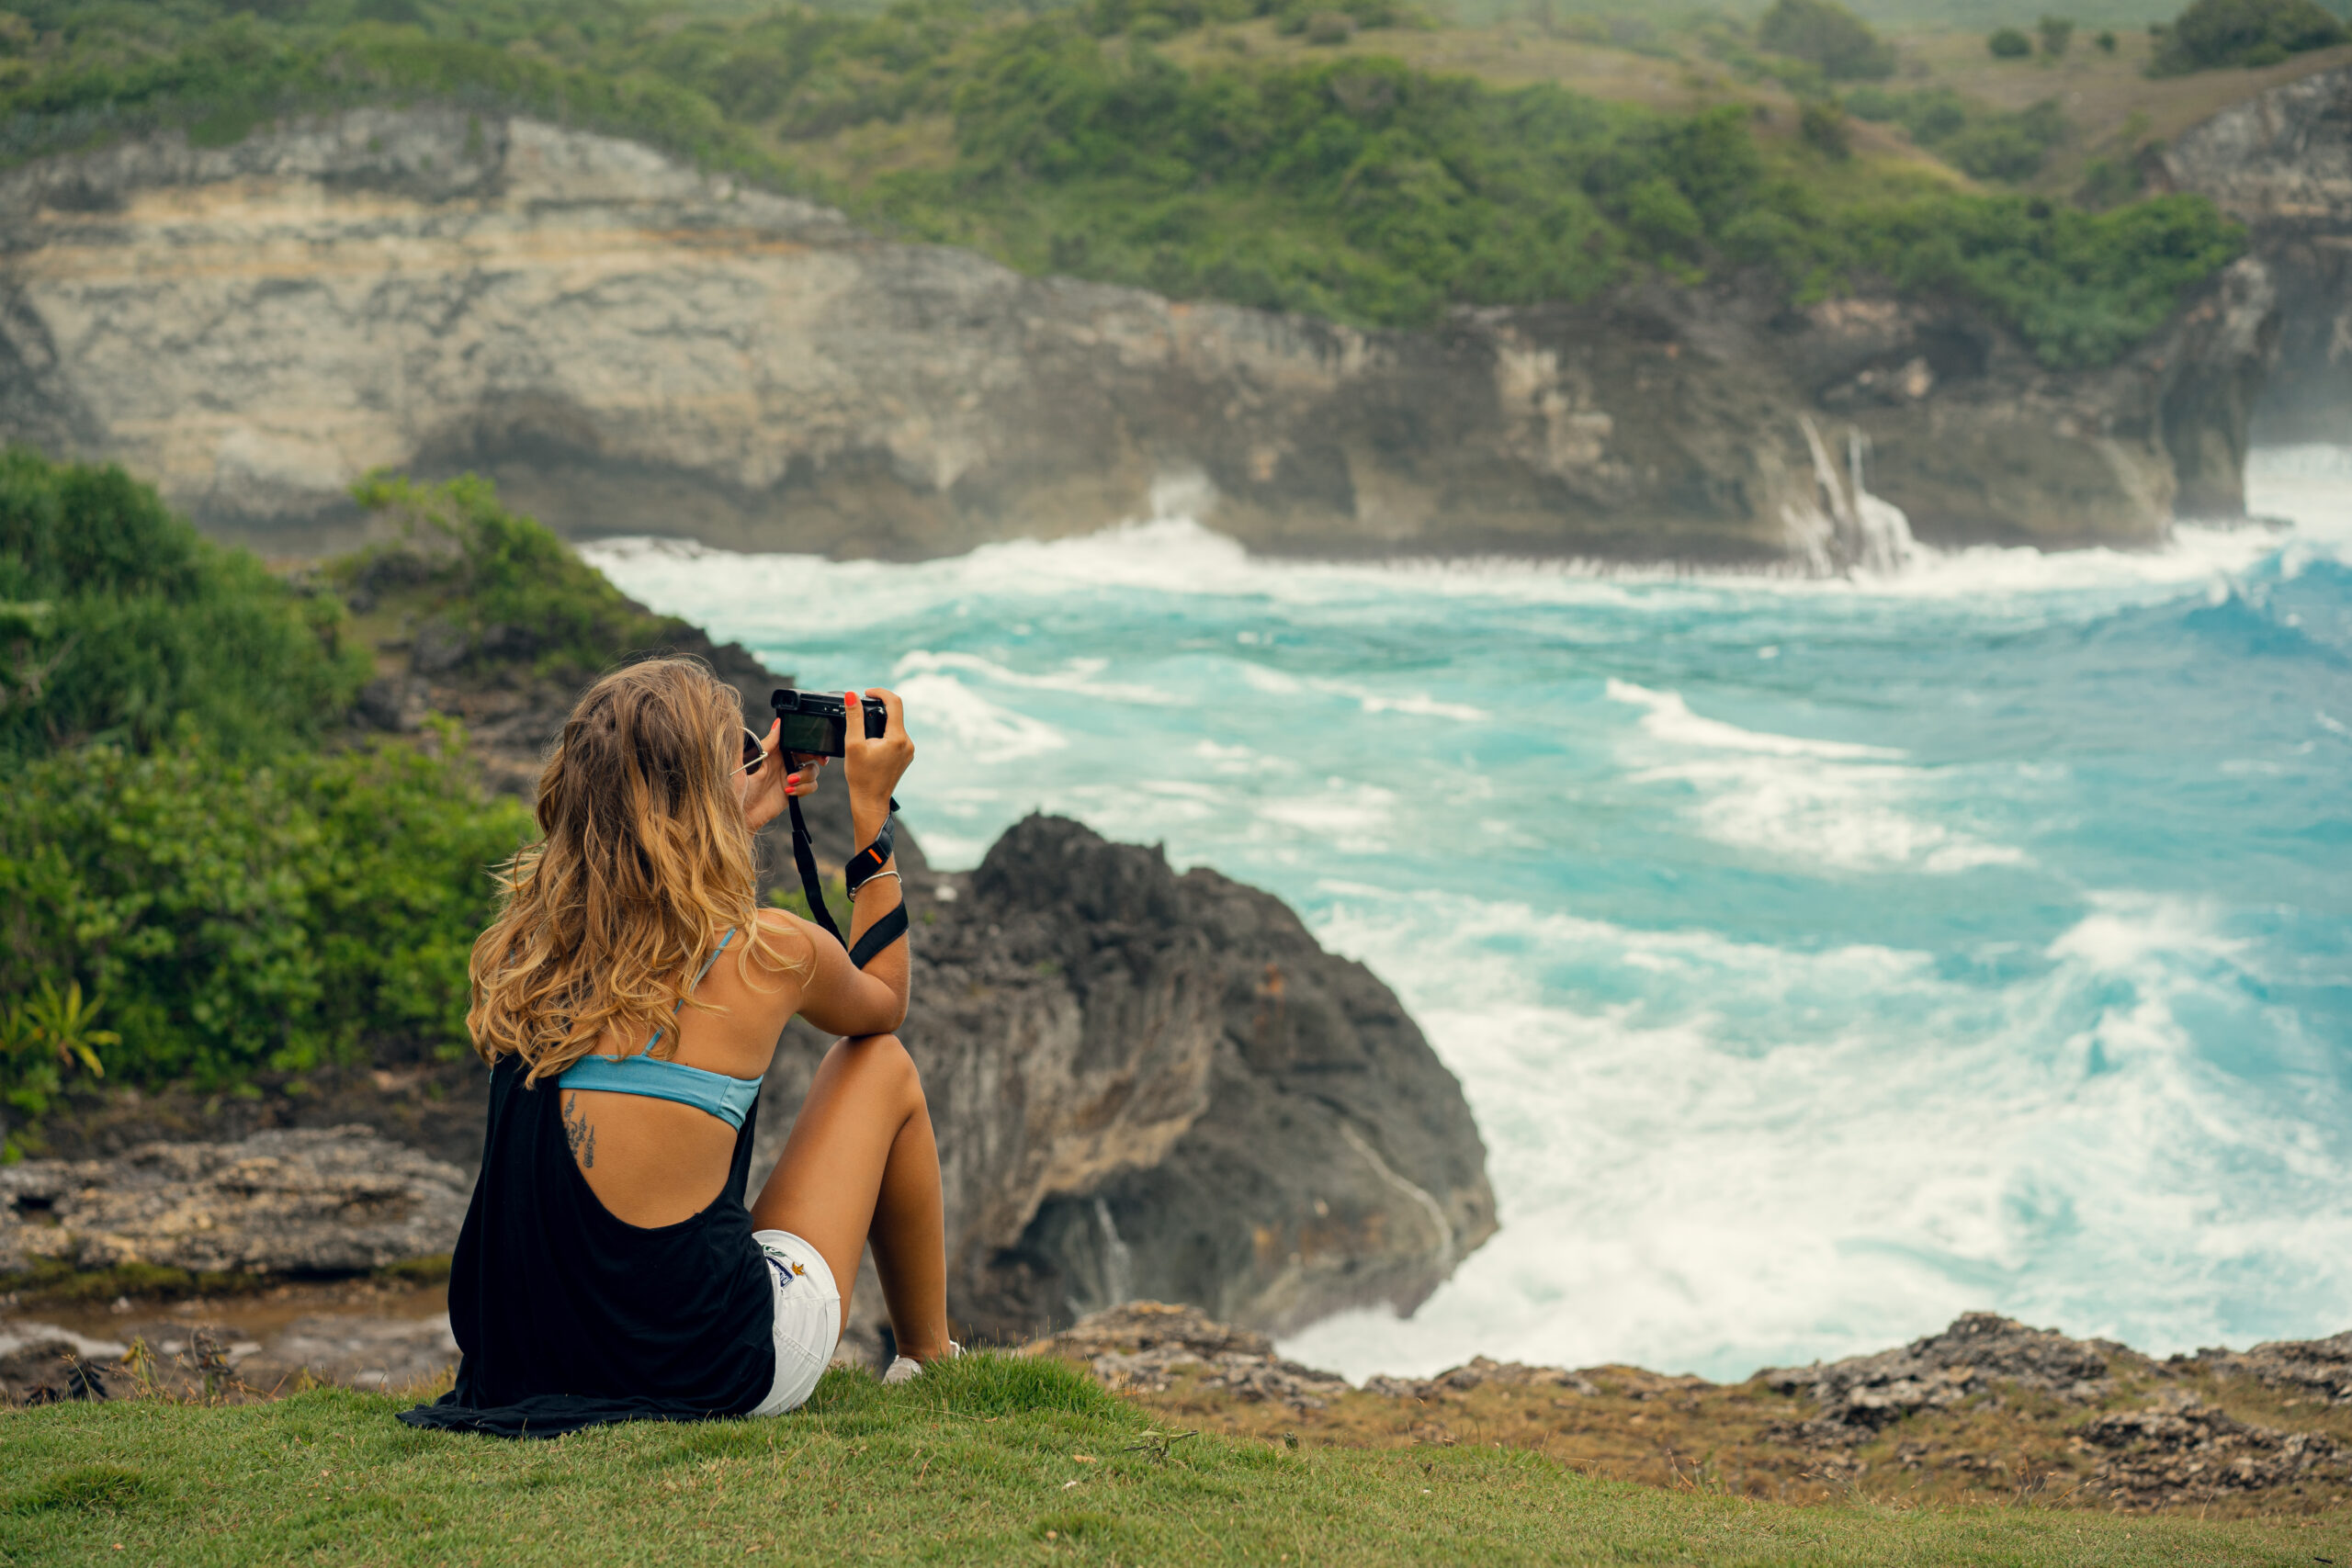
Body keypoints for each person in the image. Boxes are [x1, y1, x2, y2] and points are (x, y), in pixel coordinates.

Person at [401, 656, 953, 1438]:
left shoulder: (532, 952)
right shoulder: (768, 953)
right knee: (877, 1064)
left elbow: (657, 905)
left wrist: (738, 810)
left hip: (528, 1362)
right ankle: (930, 1355)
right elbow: (883, 1005)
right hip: (707, 1365)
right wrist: (873, 818)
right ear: (701, 799)